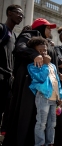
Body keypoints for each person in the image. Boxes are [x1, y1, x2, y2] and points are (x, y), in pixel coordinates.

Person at [2, 18, 62, 146]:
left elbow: (51, 63)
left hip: (48, 88)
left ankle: (46, 144)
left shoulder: (47, 43)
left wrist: (59, 74)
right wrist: (35, 55)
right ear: (41, 27)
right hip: (29, 82)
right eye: (48, 28)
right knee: (30, 115)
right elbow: (20, 48)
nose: (51, 31)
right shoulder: (28, 35)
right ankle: (26, 145)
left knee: (47, 121)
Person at [27, 37, 62, 146]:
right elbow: (41, 78)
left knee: (52, 124)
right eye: (40, 51)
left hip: (53, 98)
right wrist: (45, 65)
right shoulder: (33, 65)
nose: (44, 53)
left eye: (45, 51)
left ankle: (49, 144)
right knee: (41, 122)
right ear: (34, 52)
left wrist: (60, 96)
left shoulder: (52, 65)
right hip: (43, 97)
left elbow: (56, 81)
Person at [0, 4, 23, 135]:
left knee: (3, 109)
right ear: (9, 13)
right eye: (17, 13)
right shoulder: (1, 28)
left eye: (22, 15)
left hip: (8, 78)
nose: (20, 16)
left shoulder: (15, 36)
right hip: (0, 73)